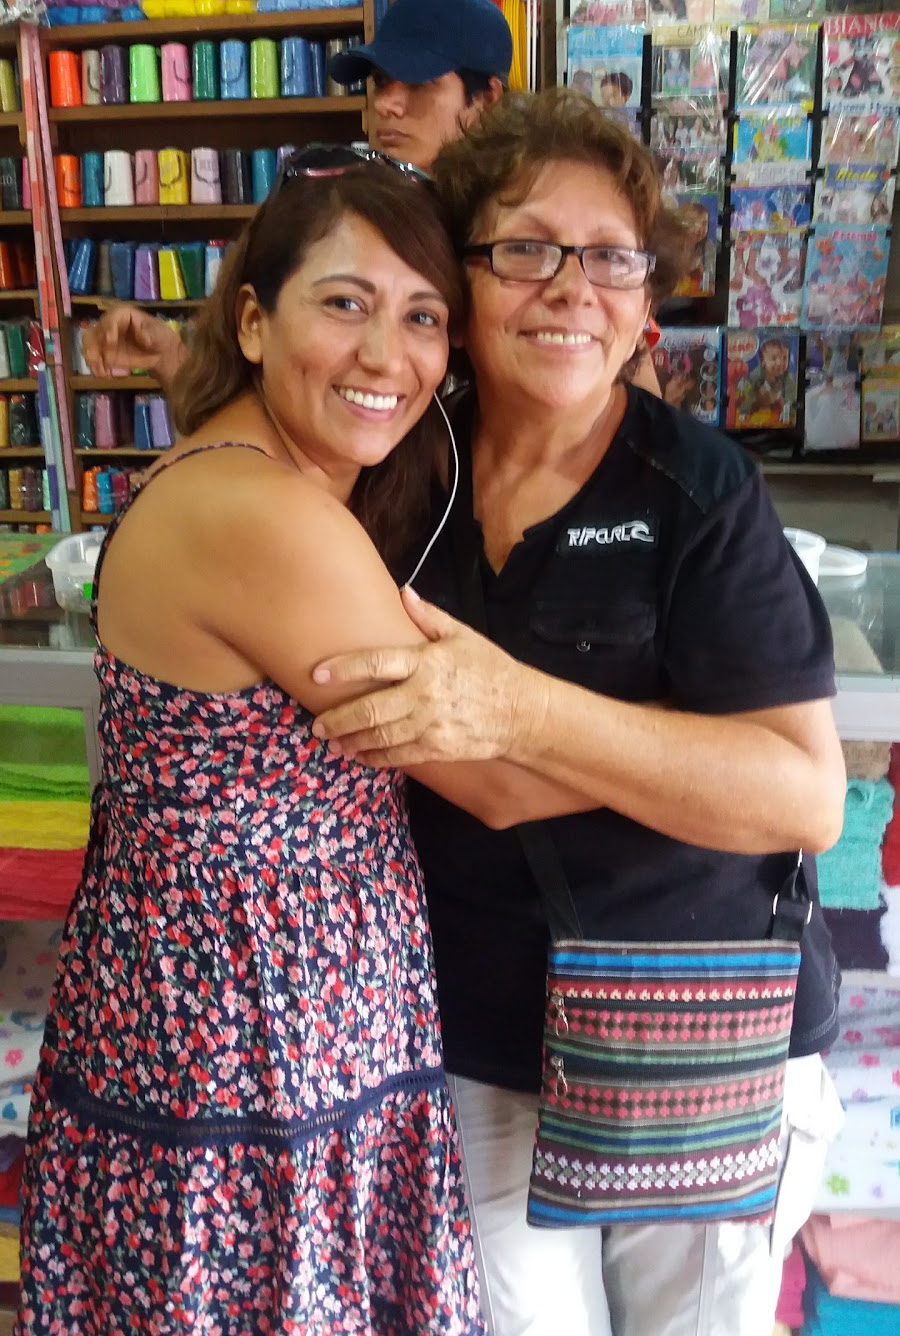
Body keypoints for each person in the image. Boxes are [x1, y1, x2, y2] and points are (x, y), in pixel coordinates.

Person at [308, 90, 847, 1336]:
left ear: (645, 295)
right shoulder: (399, 469)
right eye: (526, 249)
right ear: (461, 277)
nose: (570, 288)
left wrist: (520, 708)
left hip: (698, 1037)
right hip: (478, 1033)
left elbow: (804, 795)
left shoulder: (697, 491)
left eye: (610, 257)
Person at [17, 150, 511, 1335]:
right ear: (251, 321)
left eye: (423, 316)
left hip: (227, 1034)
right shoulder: (268, 516)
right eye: (345, 302)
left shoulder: (242, 473)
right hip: (256, 1054)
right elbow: (496, 774)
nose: (387, 354)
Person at [81, 0, 511, 388]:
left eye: (418, 83)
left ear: (487, 100)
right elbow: (281, 398)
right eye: (381, 82)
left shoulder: (511, 245)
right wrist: (172, 359)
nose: (385, 103)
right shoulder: (342, 212)